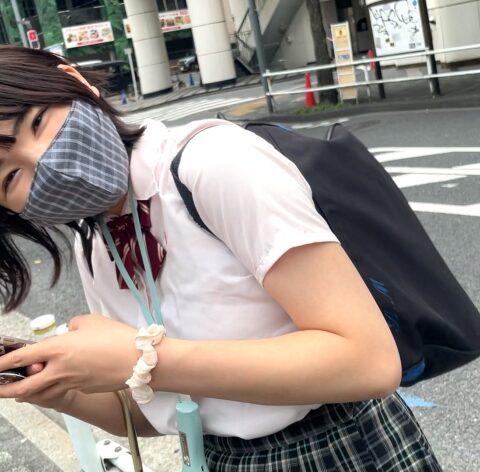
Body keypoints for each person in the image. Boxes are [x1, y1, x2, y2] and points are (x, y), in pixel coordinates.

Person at [0, 45, 441, 471]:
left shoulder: (214, 163)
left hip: (339, 444)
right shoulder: (97, 245)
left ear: (75, 81)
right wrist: (55, 387)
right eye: (11, 177)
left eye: (38, 123)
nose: (43, 160)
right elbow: (156, 411)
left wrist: (144, 358)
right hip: (219, 457)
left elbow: (369, 362)